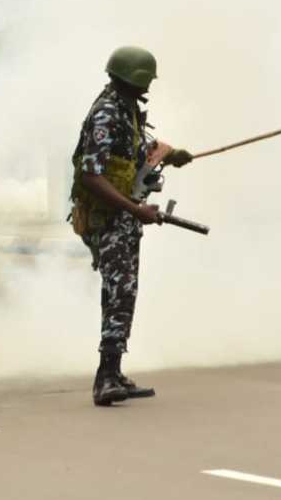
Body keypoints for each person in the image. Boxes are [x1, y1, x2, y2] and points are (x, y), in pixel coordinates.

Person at [69, 46, 192, 406]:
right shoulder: (107, 114)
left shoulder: (126, 110)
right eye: (145, 81)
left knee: (123, 293)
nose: (148, 88)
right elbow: (90, 175)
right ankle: (106, 378)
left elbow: (131, 152)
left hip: (119, 216)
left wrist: (169, 154)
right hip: (107, 218)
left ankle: (113, 371)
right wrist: (135, 210)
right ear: (134, 79)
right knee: (120, 291)